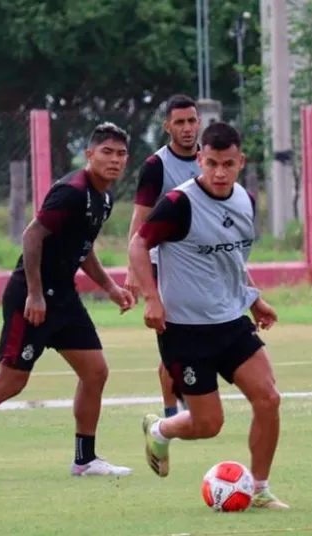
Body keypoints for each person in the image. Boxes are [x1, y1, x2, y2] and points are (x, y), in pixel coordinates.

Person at [0, 122, 136, 482]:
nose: (114, 160)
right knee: (10, 382)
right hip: (31, 296)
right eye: (106, 152)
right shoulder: (72, 190)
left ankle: (84, 459)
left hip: (63, 298)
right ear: (90, 155)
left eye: (120, 154)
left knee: (95, 371)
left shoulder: (104, 198)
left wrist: (111, 287)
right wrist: (35, 294)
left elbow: (82, 250)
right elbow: (32, 235)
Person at [129, 121, 289, 509]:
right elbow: (138, 244)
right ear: (200, 159)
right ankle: (161, 429)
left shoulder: (245, 201)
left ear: (241, 162)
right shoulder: (179, 204)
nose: (219, 172)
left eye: (228, 164)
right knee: (208, 425)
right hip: (185, 330)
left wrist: (253, 299)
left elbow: (231, 259)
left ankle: (260, 489)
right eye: (212, 163)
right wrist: (152, 298)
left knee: (268, 399)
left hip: (231, 321)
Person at [125, 94, 202, 419]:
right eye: (180, 122)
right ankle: (172, 412)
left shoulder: (208, 160)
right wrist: (133, 268)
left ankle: (184, 402)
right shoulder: (157, 166)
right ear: (167, 126)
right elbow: (140, 217)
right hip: (163, 265)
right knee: (172, 340)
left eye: (192, 121)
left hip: (200, 264)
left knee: (196, 336)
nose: (187, 128)